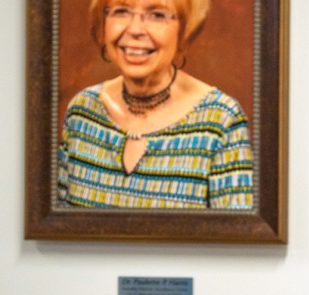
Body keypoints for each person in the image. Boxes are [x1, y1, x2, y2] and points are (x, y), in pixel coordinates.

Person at [57, 0, 253, 209]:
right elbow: (57, 232)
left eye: (157, 15)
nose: (134, 30)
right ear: (103, 23)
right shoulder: (82, 111)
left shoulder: (221, 119)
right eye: (121, 11)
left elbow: (237, 238)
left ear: (184, 30)